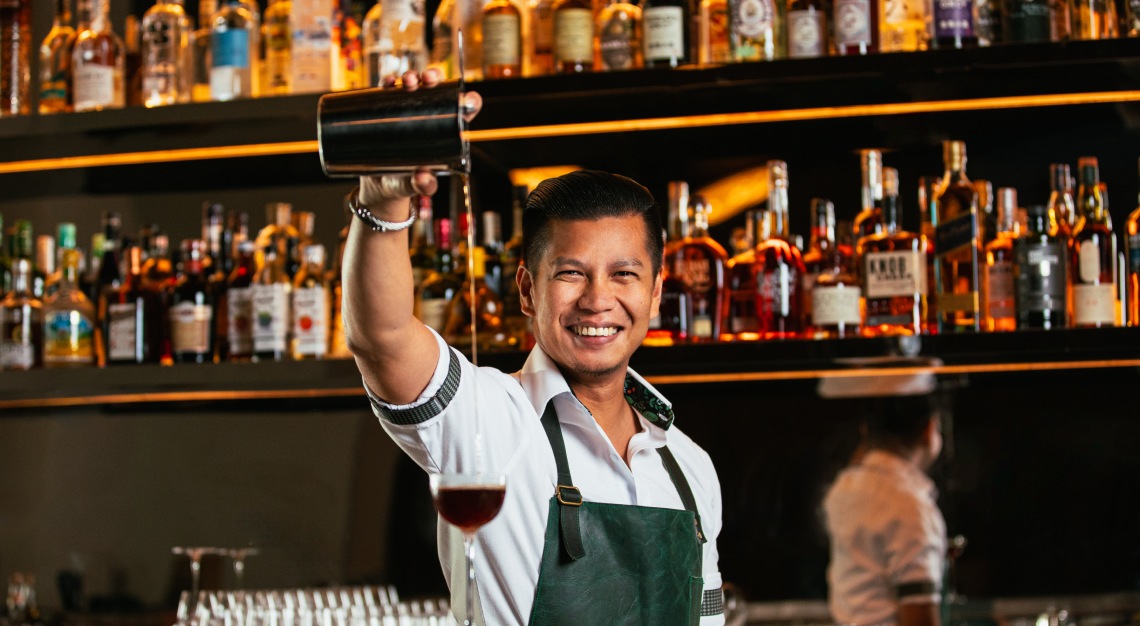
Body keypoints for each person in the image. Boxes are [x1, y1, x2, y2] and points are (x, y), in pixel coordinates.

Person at [341, 69, 725, 625]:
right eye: (571, 273)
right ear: (527, 289)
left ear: (656, 292)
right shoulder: (487, 418)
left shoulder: (689, 468)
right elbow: (383, 339)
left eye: (624, 274)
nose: (598, 300)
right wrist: (383, 198)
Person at [821, 382, 947, 626]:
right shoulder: (911, 507)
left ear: (866, 430)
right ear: (929, 430)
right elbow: (919, 617)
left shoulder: (844, 488)